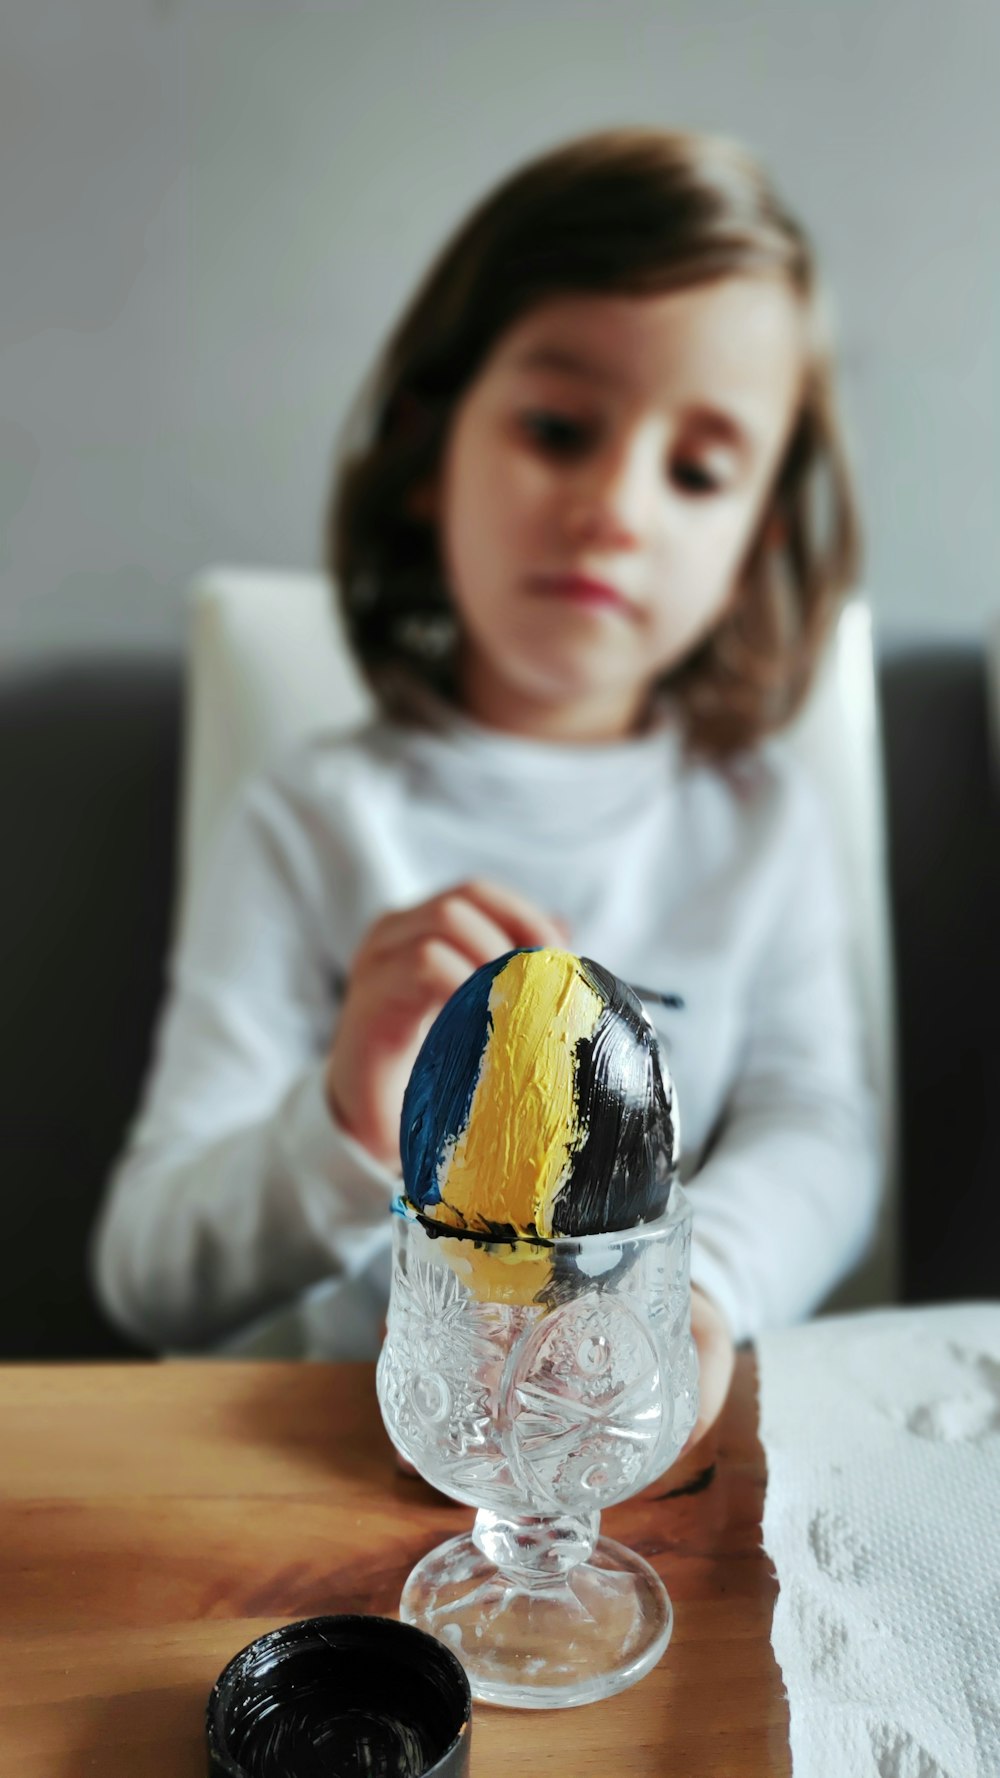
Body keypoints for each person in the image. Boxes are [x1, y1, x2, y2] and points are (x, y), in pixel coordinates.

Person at [92, 127, 879, 1455]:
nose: (615, 507)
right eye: (560, 428)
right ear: (427, 439)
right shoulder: (313, 818)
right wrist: (345, 1113)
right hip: (347, 1473)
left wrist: (700, 1282)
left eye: (698, 468)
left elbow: (824, 1132)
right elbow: (145, 1267)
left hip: (653, 1474)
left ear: (757, 542)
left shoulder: (757, 822)